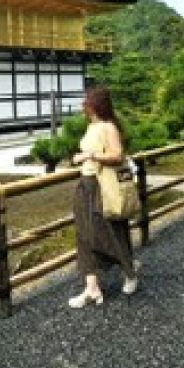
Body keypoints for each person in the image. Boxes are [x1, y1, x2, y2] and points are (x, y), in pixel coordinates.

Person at [67, 87, 139, 308]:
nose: (82, 106)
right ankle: (92, 288)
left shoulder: (108, 127)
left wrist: (90, 155)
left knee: (108, 231)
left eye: (85, 102)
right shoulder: (91, 127)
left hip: (102, 186)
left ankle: (130, 271)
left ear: (95, 104)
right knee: (84, 234)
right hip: (85, 184)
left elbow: (118, 155)